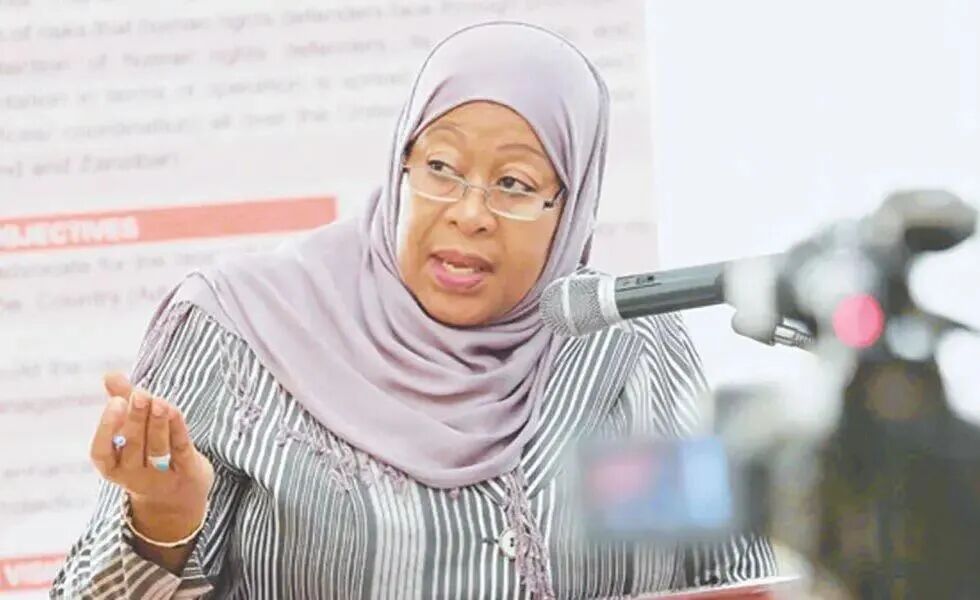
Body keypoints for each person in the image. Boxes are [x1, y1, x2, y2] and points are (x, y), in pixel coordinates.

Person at [52, 22, 776, 599]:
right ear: (400, 165)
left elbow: (732, 577)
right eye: (440, 168)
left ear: (572, 206)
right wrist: (162, 523)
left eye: (515, 184)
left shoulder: (627, 346)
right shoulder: (239, 330)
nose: (469, 213)